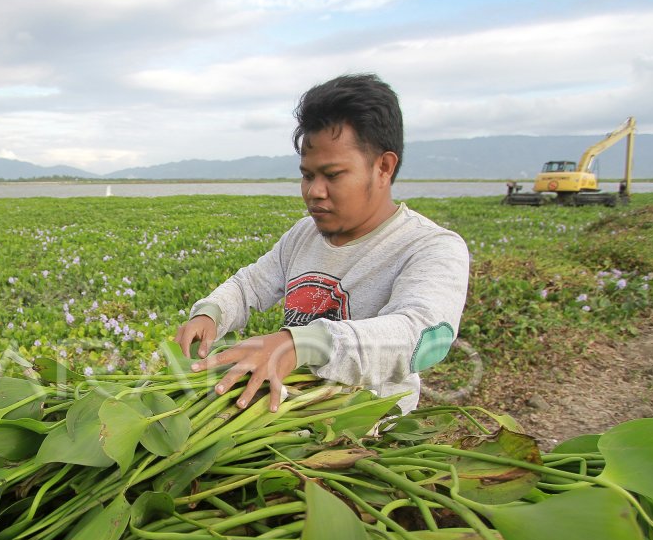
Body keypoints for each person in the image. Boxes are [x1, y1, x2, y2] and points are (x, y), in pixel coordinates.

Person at [174, 73, 469, 414]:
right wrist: (211, 313)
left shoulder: (430, 246)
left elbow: (424, 336)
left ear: (384, 167)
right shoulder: (304, 235)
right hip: (287, 418)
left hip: (363, 438)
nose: (314, 191)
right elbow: (249, 286)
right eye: (307, 175)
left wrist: (301, 344)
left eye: (332, 175)